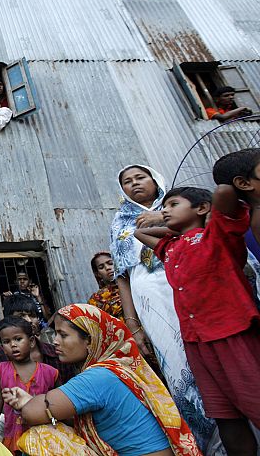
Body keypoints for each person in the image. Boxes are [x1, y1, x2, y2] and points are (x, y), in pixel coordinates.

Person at [135, 185, 260, 456]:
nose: (165, 210)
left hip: (231, 333)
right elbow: (138, 233)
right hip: (197, 342)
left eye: (173, 205)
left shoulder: (216, 235)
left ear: (202, 209)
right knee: (225, 415)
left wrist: (159, 218)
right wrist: (170, 223)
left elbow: (225, 193)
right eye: (163, 207)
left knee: (255, 400)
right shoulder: (171, 248)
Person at [110, 165, 216, 451]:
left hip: (186, 286)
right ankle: (205, 444)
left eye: (140, 177)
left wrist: (161, 217)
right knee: (178, 365)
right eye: (127, 181)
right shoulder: (120, 222)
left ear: (156, 179)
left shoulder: (181, 206)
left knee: (214, 356)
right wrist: (134, 326)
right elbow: (123, 275)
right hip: (150, 302)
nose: (134, 184)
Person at [3, 304, 202, 456]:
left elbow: (31, 413)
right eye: (55, 333)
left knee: (42, 436)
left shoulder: (98, 377)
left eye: (63, 335)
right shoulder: (118, 368)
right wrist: (30, 399)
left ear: (90, 340)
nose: (55, 341)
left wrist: (28, 402)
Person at [0, 295, 75, 416]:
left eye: (32, 315)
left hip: (53, 416)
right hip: (12, 418)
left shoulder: (55, 353)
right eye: (21, 316)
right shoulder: (0, 354)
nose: (28, 320)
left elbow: (69, 396)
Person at [0, 317, 58, 453]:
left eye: (18, 339)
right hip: (13, 431)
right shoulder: (1, 369)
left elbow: (56, 403)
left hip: (42, 433)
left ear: (31, 341)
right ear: (2, 347)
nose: (13, 345)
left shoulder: (50, 372)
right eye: (6, 342)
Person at [86, 252, 123, 320]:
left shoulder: (133, 285)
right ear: (98, 274)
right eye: (101, 267)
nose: (107, 268)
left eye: (110, 263)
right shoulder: (96, 299)